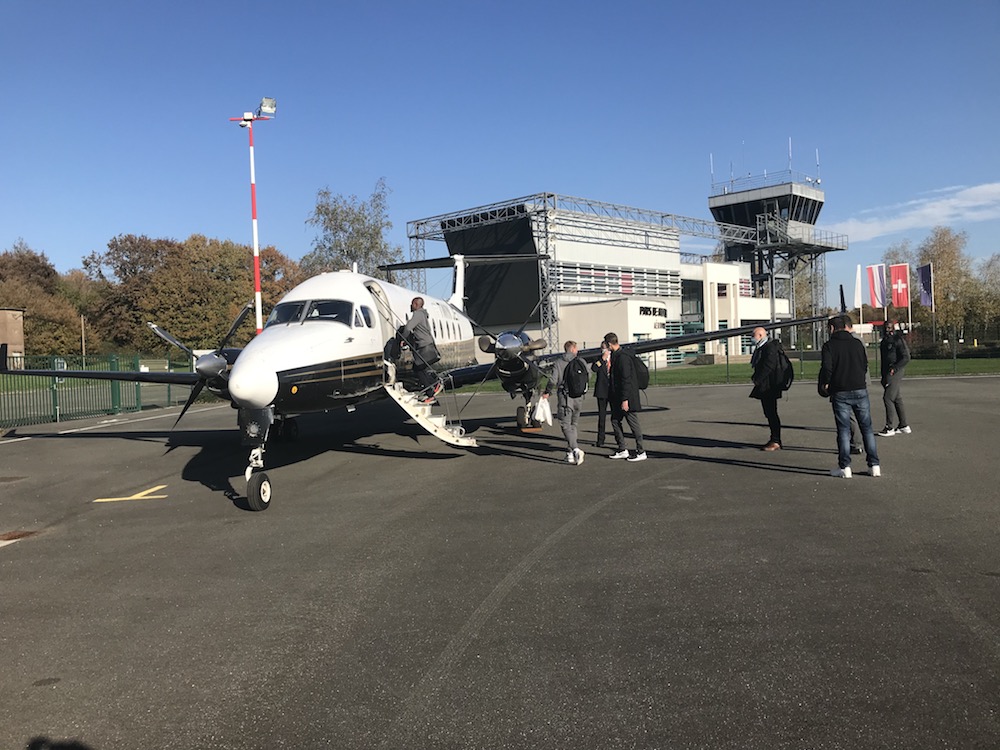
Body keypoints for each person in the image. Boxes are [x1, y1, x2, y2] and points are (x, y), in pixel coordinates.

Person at [818, 315, 880, 478]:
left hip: (840, 391)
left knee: (844, 430)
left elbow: (827, 368)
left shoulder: (829, 346)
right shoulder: (857, 343)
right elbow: (864, 364)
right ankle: (874, 464)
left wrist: (826, 383)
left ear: (832, 328)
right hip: (860, 389)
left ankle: (845, 466)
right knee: (867, 428)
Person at [542, 340, 587, 465]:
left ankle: (576, 449)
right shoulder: (581, 361)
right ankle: (569, 453)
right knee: (573, 425)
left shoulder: (558, 363)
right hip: (579, 398)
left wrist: (547, 392)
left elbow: (552, 380)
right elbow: (588, 375)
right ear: (572, 349)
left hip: (565, 398)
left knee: (565, 425)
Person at [604, 332, 646, 461]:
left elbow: (625, 380)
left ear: (610, 344)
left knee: (633, 422)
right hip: (619, 397)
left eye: (606, 345)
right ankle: (622, 448)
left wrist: (625, 399)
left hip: (627, 397)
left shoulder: (622, 358)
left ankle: (641, 451)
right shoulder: (617, 356)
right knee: (615, 420)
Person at [399, 297, 441, 404]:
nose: (411, 306)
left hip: (423, 346)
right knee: (421, 369)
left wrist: (403, 339)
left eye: (412, 304)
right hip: (428, 344)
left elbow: (408, 328)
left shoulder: (417, 314)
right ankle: (434, 384)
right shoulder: (423, 314)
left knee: (417, 368)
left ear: (415, 304)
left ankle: (431, 393)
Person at [749, 326, 784, 451]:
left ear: (760, 336)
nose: (752, 338)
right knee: (769, 413)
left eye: (754, 335)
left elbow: (769, 365)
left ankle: (775, 440)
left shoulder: (769, 347)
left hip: (769, 386)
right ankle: (775, 439)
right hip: (767, 385)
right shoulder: (764, 347)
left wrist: (758, 379)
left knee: (771, 413)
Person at [877, 320, 912, 436]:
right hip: (887, 372)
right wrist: (883, 375)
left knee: (888, 398)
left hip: (895, 371)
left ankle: (889, 427)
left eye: (889, 328)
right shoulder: (884, 341)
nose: (887, 330)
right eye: (885, 328)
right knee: (897, 398)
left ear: (893, 328)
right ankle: (903, 425)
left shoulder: (898, 340)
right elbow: (884, 360)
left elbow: (906, 357)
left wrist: (895, 368)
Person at [845, 317, 869, 455]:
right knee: (861, 415)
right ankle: (862, 445)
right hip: (860, 380)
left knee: (852, 414)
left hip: (855, 382)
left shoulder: (854, 341)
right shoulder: (858, 339)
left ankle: (856, 443)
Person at [591, 341, 611, 448]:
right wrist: (602, 359)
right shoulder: (598, 359)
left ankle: (619, 439)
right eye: (602, 348)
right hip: (602, 391)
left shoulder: (615, 359)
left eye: (605, 348)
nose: (603, 350)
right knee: (602, 416)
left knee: (616, 417)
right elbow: (594, 368)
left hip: (612, 390)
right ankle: (600, 439)